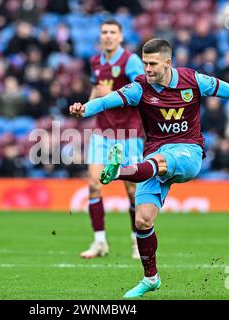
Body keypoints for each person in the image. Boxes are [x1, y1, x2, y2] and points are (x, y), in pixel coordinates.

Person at [69, 38, 229, 298]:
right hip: (154, 154)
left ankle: (119, 172)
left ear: (167, 63)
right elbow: (105, 101)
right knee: (143, 220)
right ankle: (150, 278)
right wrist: (84, 108)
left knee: (155, 164)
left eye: (153, 64)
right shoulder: (140, 88)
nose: (147, 69)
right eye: (145, 63)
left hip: (188, 151)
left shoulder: (193, 81)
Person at [80, 19, 145, 259]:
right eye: (104, 32)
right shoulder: (96, 61)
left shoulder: (131, 61)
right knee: (94, 185)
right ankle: (99, 242)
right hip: (102, 131)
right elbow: (96, 91)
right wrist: (84, 108)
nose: (107, 36)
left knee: (131, 190)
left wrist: (114, 94)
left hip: (128, 132)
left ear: (120, 36)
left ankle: (137, 241)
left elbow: (142, 91)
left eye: (112, 32)